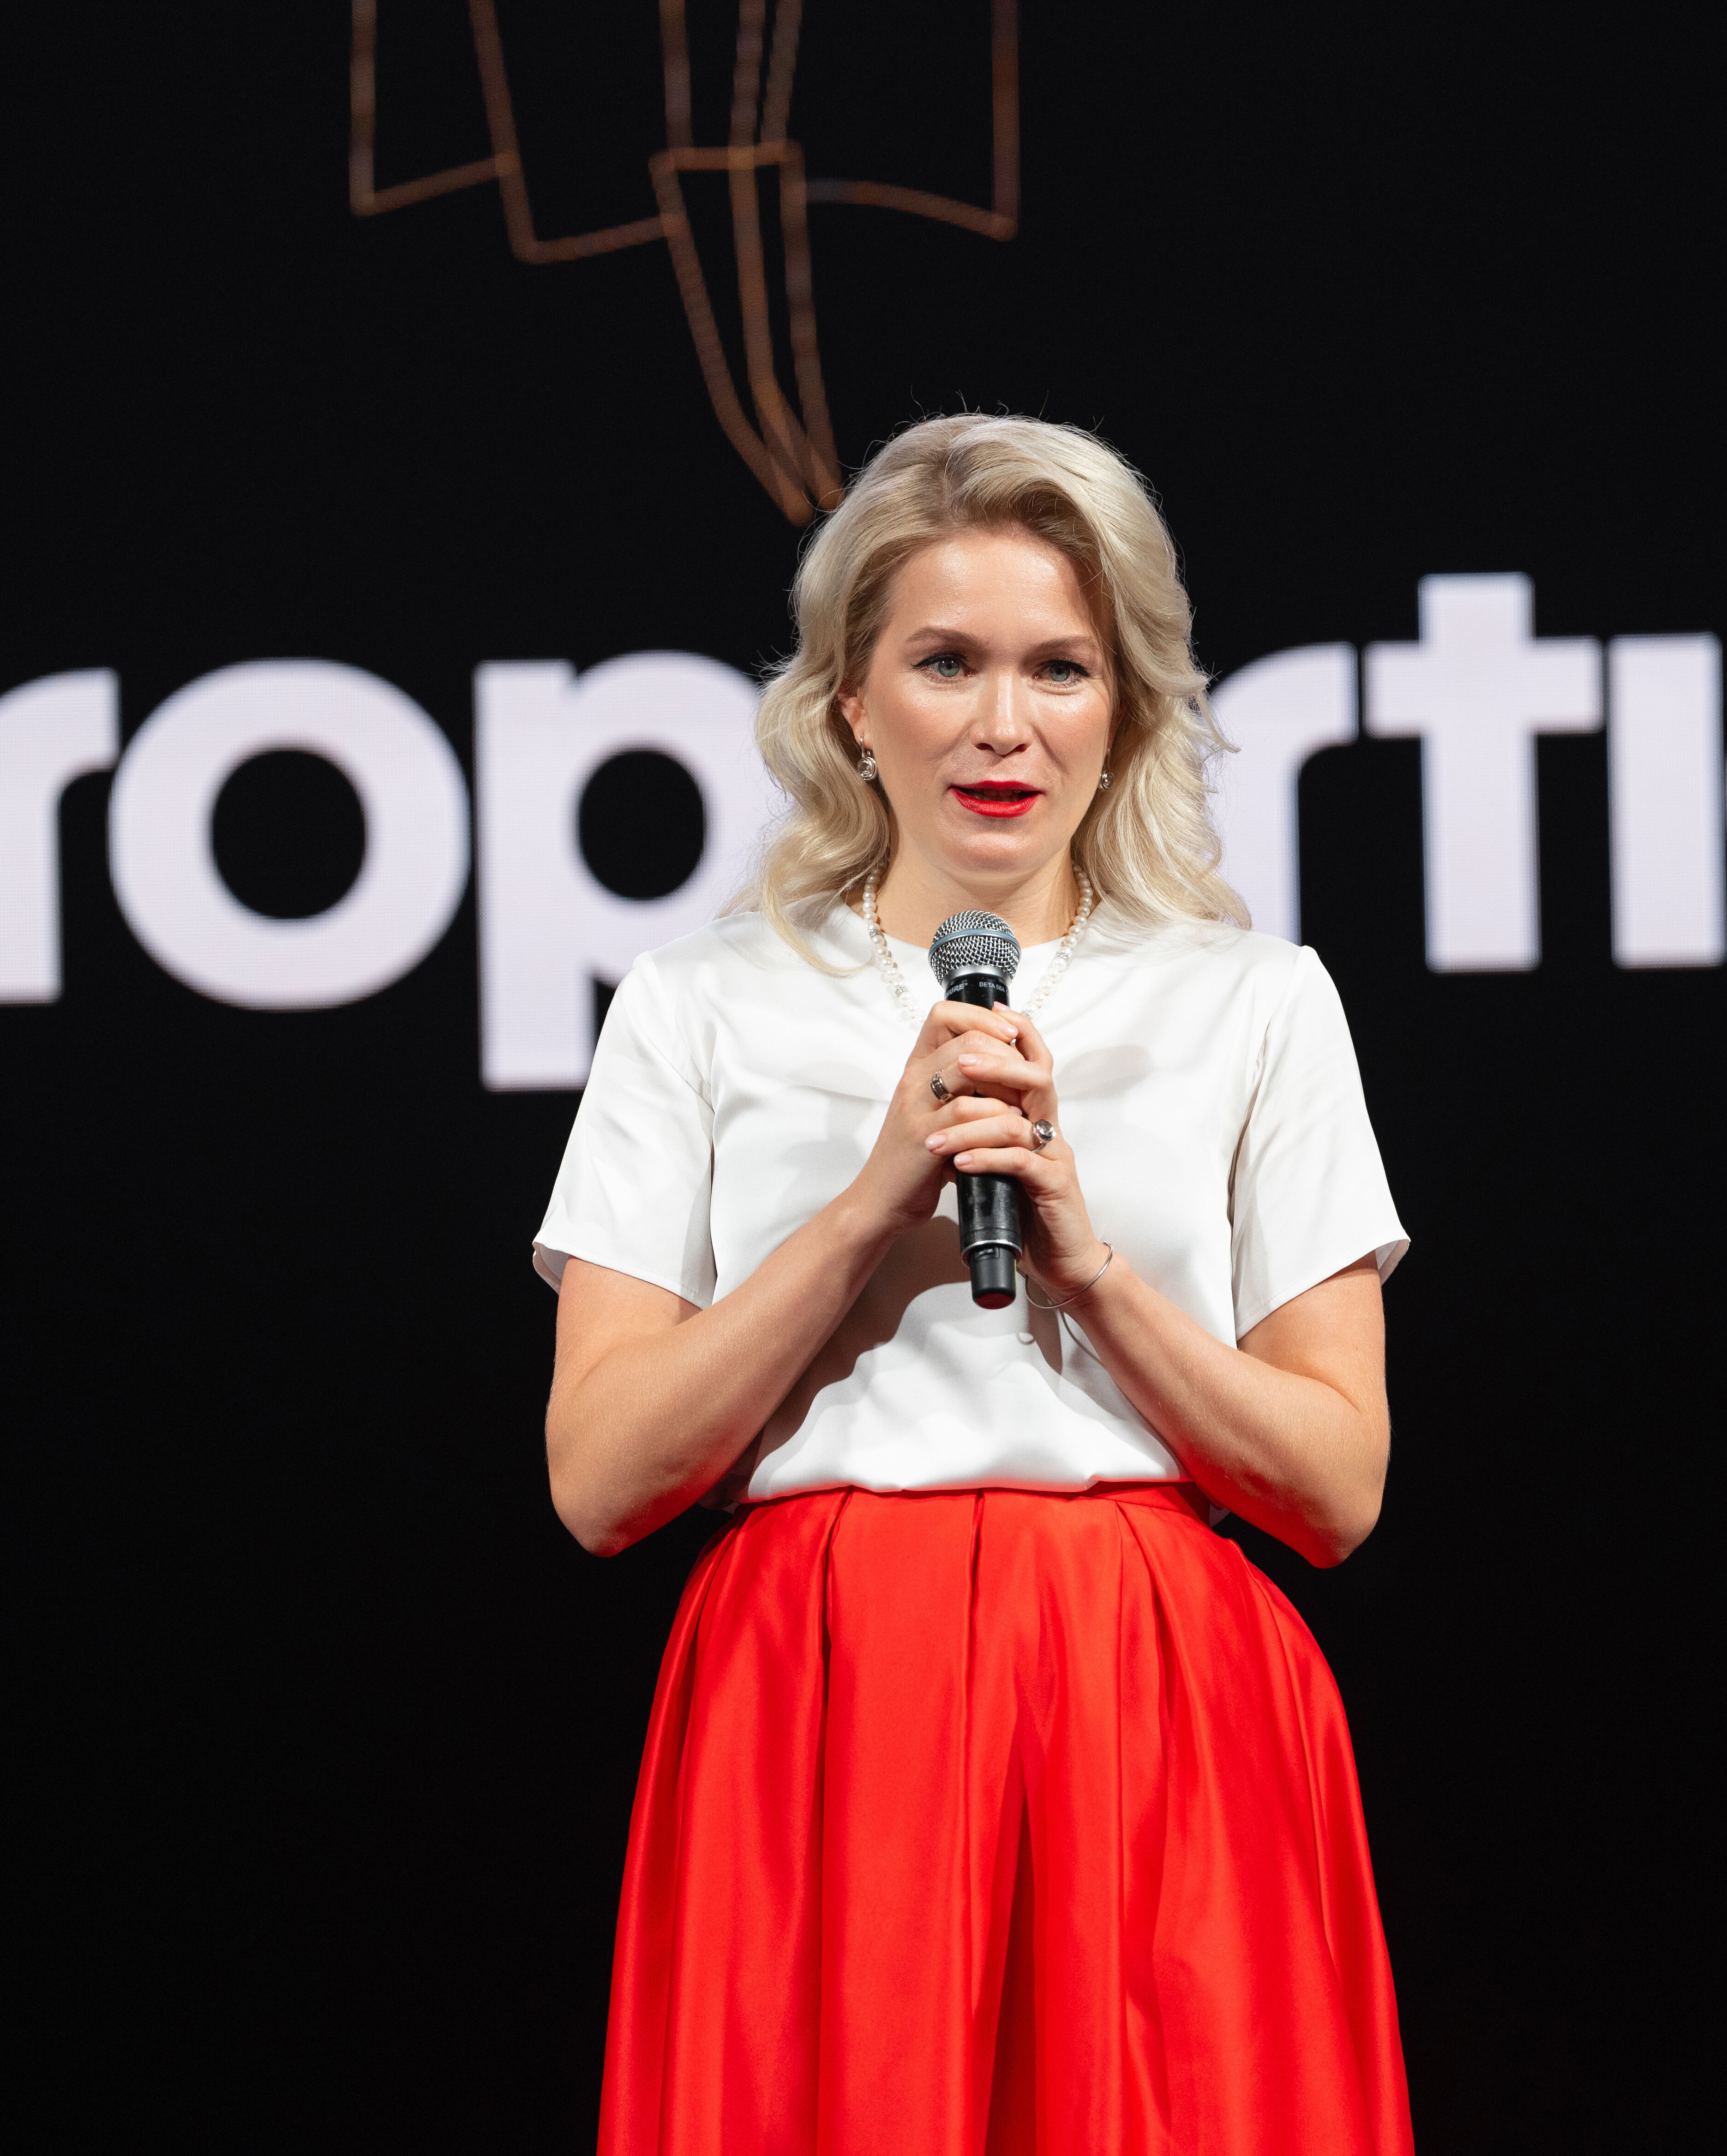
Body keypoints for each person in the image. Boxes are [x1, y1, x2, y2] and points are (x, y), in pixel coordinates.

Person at [534, 414, 1413, 2154]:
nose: (1004, 723)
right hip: (820, 1700)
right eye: (946, 662)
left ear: (1126, 707)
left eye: (1059, 668)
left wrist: (1093, 1274)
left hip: (1157, 1702)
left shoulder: (1259, 1000)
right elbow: (601, 1479)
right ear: (850, 705)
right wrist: (870, 1205)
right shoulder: (697, 1002)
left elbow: (1336, 1489)